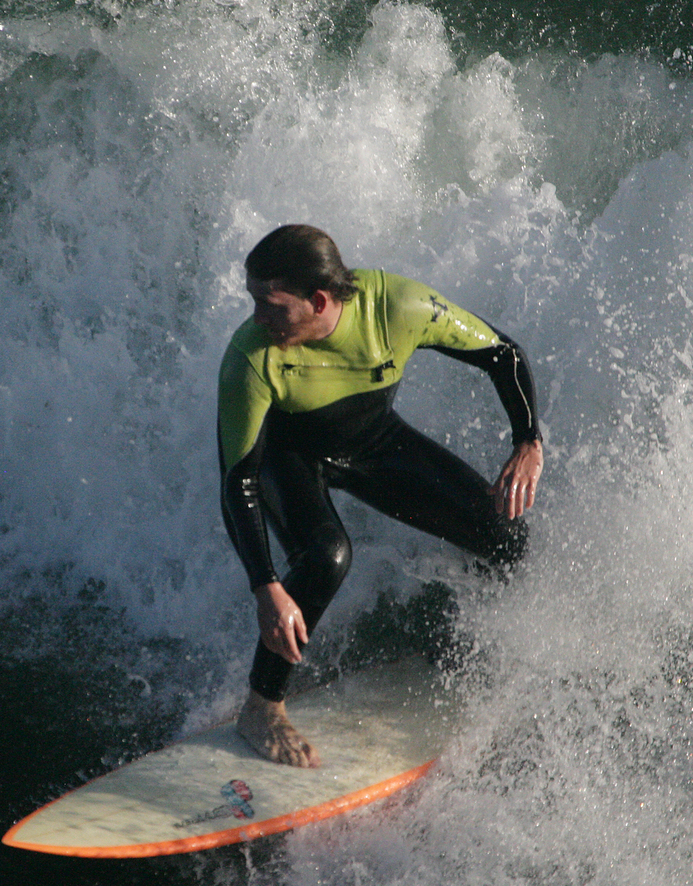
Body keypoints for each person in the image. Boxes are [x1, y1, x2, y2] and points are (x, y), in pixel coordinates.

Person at [219, 224, 543, 766]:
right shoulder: (252, 357)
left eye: (269, 303)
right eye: (252, 300)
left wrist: (528, 441)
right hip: (287, 457)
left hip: (373, 440)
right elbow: (238, 483)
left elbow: (502, 355)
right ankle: (262, 705)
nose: (256, 318)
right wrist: (266, 587)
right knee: (326, 556)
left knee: (505, 534)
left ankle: (462, 637)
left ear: (319, 300)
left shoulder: (399, 306)